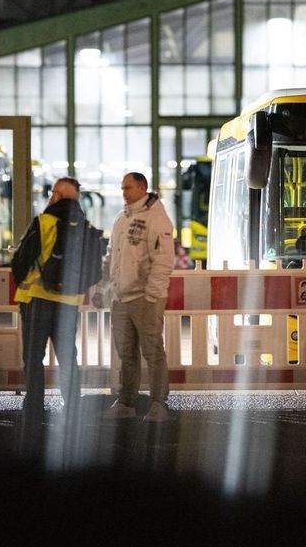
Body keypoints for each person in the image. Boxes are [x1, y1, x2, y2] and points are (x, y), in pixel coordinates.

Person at [97, 172, 175, 423]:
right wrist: (106, 288)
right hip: (122, 298)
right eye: (122, 188)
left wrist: (152, 293)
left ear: (142, 187)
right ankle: (127, 402)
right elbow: (111, 256)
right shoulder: (122, 217)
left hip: (143, 297)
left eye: (128, 187)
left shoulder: (156, 217)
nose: (124, 192)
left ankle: (158, 404)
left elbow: (163, 259)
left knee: (152, 352)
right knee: (127, 354)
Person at [11, 177, 87, 427]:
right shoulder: (83, 226)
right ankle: (73, 407)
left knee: (34, 357)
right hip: (68, 302)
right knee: (68, 356)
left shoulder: (44, 222)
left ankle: (33, 410)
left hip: (38, 300)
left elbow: (21, 262)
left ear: (55, 195)